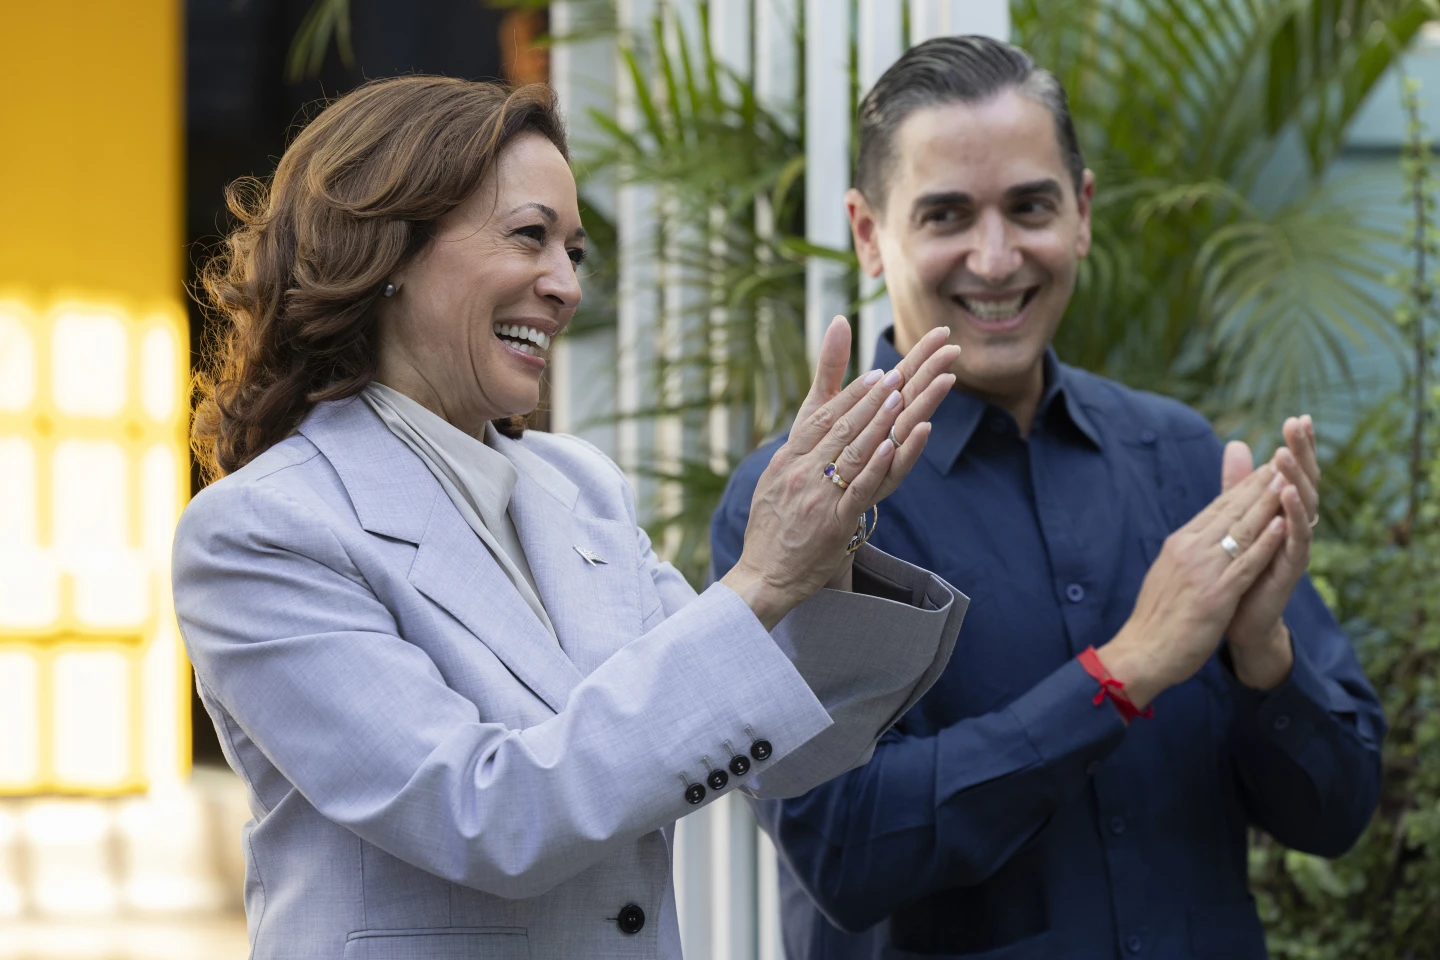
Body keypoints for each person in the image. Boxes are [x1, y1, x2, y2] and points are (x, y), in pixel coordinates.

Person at [172, 75, 971, 960]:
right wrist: (763, 578)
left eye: (574, 252)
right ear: (387, 250)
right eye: (530, 236)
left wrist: (827, 544)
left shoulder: (580, 486)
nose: (565, 287)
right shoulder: (261, 531)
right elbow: (489, 817)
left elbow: (787, 749)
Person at [711, 36, 1385, 960]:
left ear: (1082, 213)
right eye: (947, 215)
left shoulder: (1184, 461)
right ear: (869, 234)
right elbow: (846, 849)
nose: (996, 259)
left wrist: (1262, 653)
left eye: (1029, 207)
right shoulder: (803, 508)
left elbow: (1338, 813)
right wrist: (1122, 673)